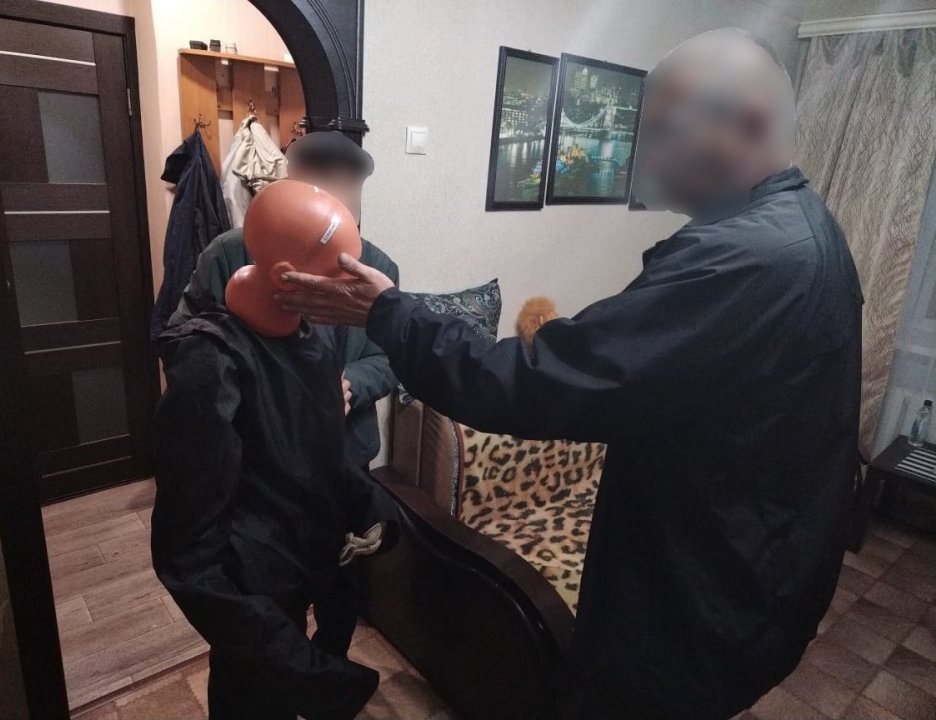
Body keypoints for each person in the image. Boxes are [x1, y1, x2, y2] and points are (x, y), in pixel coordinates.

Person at [273, 29, 863, 720]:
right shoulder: (808, 226)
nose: (644, 156)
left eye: (664, 133)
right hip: (752, 582)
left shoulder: (749, 260)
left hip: (697, 610)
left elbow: (531, 381)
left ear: (752, 123)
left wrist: (389, 313)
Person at [152, 180, 392, 720]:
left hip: (310, 552)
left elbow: (320, 453)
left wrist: (371, 509)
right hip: (254, 588)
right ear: (288, 276)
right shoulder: (211, 365)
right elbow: (188, 556)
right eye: (342, 274)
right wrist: (299, 666)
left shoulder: (316, 337)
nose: (355, 289)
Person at [168, 130, 399, 473]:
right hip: (253, 452)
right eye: (318, 187)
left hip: (344, 449)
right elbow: (180, 338)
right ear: (288, 185)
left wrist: (350, 384)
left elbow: (390, 359)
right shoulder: (229, 252)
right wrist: (251, 379)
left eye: (347, 190)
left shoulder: (378, 269)